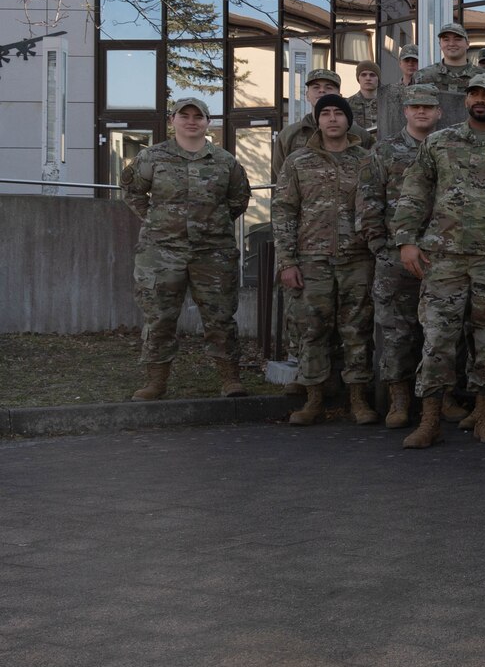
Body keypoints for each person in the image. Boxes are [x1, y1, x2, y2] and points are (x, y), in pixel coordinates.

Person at [391, 71, 485, 448]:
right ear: (465, 101)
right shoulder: (440, 144)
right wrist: (406, 241)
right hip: (443, 259)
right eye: (474, 94)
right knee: (437, 340)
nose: (481, 100)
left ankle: (484, 416)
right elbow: (414, 191)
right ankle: (429, 420)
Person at [121, 95, 252, 400]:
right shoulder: (151, 158)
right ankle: (156, 380)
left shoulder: (225, 161)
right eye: (185, 116)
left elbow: (238, 200)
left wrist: (209, 224)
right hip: (161, 252)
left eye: (198, 116)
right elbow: (132, 192)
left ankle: (230, 378)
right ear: (172, 120)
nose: (191, 121)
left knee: (220, 316)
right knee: (159, 316)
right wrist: (159, 221)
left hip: (213, 251)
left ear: (208, 122)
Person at [272, 93, 376, 427]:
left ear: (349, 120)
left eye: (339, 113)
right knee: (311, 330)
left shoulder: (366, 160)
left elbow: (378, 207)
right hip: (311, 259)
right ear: (317, 121)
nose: (332, 119)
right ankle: (314, 399)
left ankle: (358, 399)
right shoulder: (298, 162)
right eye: (325, 113)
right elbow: (284, 211)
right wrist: (287, 262)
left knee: (356, 330)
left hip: (356, 259)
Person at [359, 84, 440, 428]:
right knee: (395, 331)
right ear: (405, 112)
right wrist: (380, 247)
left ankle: (440, 398)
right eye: (415, 107)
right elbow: (368, 201)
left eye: (428, 107)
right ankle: (399, 399)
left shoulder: (446, 149)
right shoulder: (384, 151)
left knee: (440, 331)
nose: (421, 112)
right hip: (395, 256)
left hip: (440, 255)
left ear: (439, 113)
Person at [273, 68, 344, 170]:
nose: (322, 90)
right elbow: (281, 174)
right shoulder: (288, 135)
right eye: (316, 87)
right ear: (307, 96)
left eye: (328, 87)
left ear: (339, 96)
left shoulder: (356, 134)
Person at [348, 60, 381, 139]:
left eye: (372, 75)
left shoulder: (387, 103)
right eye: (364, 75)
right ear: (358, 78)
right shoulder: (347, 104)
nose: (368, 78)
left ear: (378, 78)